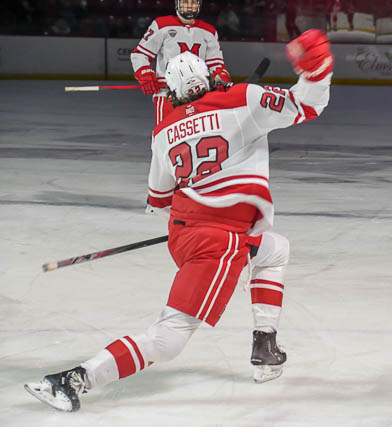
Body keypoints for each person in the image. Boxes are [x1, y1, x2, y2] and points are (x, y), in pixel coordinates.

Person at [24, 29, 334, 412]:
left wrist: (199, 213)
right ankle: (74, 380)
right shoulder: (243, 98)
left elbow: (158, 201)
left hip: (185, 234)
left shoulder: (163, 131)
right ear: (209, 77)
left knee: (275, 249)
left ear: (171, 92)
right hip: (219, 242)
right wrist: (317, 70)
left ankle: (265, 345)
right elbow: (307, 104)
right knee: (168, 340)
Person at [131, 0, 232, 127]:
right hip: (168, 95)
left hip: (199, 95)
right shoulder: (162, 25)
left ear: (199, 5)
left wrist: (221, 77)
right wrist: (144, 73)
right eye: (185, 2)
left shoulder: (209, 31)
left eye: (193, 2)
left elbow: (216, 65)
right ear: (177, 4)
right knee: (165, 136)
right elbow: (140, 54)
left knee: (198, 136)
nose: (189, 6)